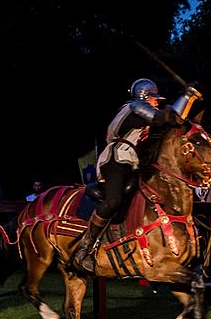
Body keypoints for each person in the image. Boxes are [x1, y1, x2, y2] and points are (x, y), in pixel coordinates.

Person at [72, 78, 183, 274]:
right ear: (144, 97)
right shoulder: (134, 107)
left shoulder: (142, 113)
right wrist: (186, 96)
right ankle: (84, 249)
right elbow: (162, 118)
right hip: (117, 159)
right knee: (113, 201)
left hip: (131, 162)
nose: (157, 102)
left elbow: (173, 119)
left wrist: (188, 96)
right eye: (154, 99)